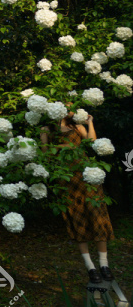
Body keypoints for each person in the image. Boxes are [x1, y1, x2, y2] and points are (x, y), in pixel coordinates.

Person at [40, 110, 115, 284]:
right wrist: (63, 147)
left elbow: (92, 142)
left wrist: (90, 123)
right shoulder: (46, 129)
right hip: (65, 178)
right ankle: (91, 268)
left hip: (86, 176)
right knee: (76, 218)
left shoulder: (76, 125)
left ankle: (104, 265)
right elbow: (45, 155)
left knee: (97, 215)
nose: (70, 108)